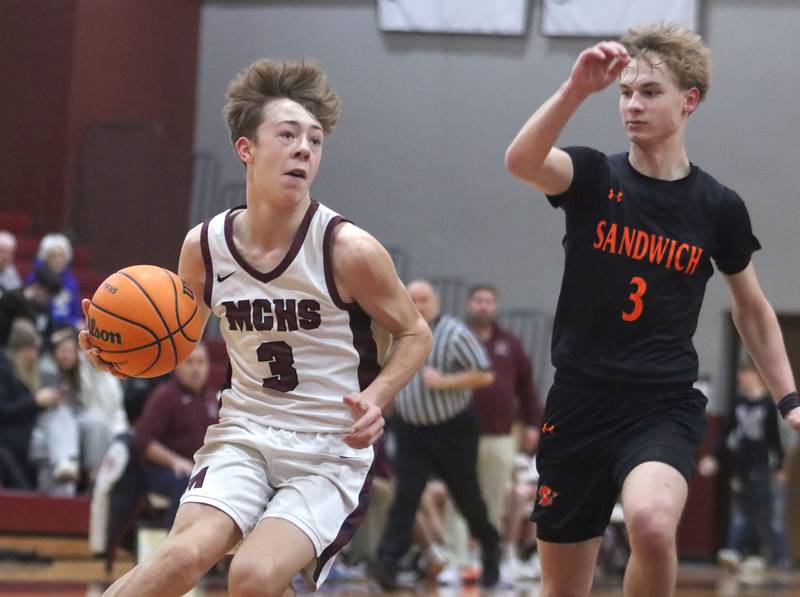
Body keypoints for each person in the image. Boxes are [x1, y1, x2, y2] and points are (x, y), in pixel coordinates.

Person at [80, 57, 431, 597]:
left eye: (315, 140)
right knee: (180, 556)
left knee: (254, 575)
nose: (304, 149)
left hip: (328, 449)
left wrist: (378, 397)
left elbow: (414, 334)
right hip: (244, 434)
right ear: (247, 149)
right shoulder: (205, 246)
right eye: (287, 135)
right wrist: (119, 358)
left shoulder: (347, 249)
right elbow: (180, 338)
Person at [504, 22, 800, 597]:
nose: (632, 106)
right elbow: (521, 161)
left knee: (651, 521)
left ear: (689, 101)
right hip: (580, 400)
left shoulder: (717, 207)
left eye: (649, 92)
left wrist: (788, 397)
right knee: (564, 588)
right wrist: (574, 90)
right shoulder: (593, 176)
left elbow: (753, 309)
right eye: (625, 93)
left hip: (661, 403)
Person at [370, 279, 501, 590]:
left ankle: (491, 548)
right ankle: (386, 563)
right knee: (406, 495)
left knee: (466, 498)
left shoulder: (455, 333)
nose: (418, 305)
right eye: (412, 299)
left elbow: (484, 374)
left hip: (452, 429)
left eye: (424, 299)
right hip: (411, 430)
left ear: (436, 304)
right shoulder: (395, 333)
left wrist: (443, 382)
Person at [698, 359, 791, 570]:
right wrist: (713, 456)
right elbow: (725, 433)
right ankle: (735, 552)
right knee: (741, 511)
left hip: (761, 467)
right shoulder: (738, 402)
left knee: (761, 512)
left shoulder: (767, 405)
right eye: (741, 374)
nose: (742, 378)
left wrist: (780, 468)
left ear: (757, 376)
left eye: (746, 373)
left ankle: (763, 556)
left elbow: (774, 440)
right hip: (740, 466)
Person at [133, 343, 219, 526]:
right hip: (162, 470)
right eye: (190, 363)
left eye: (201, 363)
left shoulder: (213, 398)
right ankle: (175, 542)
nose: (196, 369)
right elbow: (143, 441)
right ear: (177, 366)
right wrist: (175, 461)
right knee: (186, 482)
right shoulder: (164, 395)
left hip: (200, 469)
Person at [39, 327, 127, 488]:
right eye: (63, 351)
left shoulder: (81, 372)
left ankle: (94, 474)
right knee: (62, 414)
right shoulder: (47, 369)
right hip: (52, 419)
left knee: (97, 423)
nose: (67, 355)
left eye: (70, 351)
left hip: (78, 417)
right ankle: (65, 461)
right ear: (54, 352)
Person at [26, 233, 82, 329]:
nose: (57, 260)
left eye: (61, 256)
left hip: (68, 328)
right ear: (45, 258)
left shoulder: (71, 282)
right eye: (53, 256)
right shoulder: (35, 279)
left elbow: (76, 313)